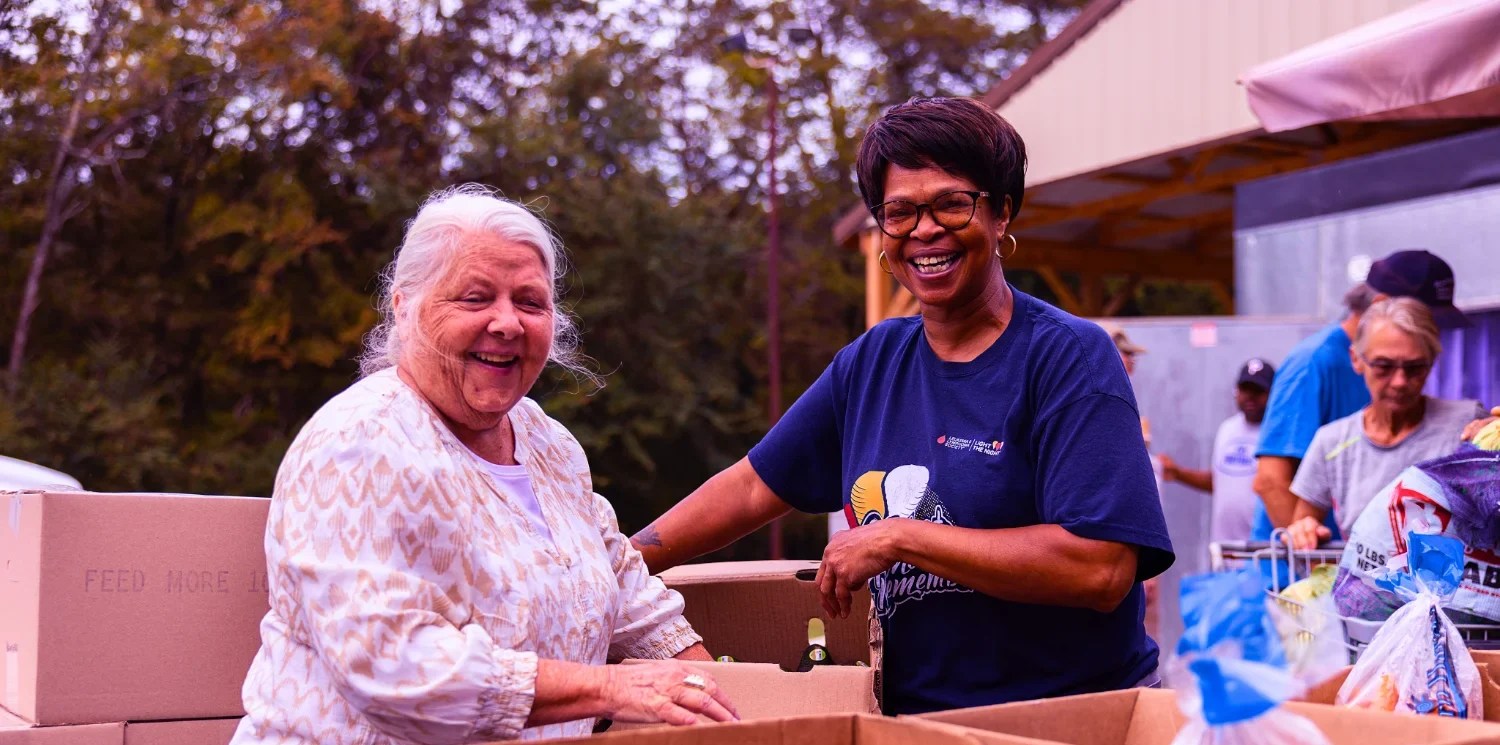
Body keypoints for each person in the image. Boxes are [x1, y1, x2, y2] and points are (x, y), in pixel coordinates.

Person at [630, 97, 1174, 715]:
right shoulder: (872, 361)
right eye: (899, 213)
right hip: (915, 721)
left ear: (1002, 212)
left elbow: (1100, 570)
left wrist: (903, 538)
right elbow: (754, 486)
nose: (924, 230)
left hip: (1065, 718)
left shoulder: (1066, 357)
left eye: (951, 203)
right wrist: (616, 563)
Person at [232, 186, 737, 744]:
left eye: (530, 302)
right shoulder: (358, 445)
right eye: (475, 299)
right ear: (405, 306)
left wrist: (727, 701)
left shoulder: (547, 442)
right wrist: (613, 688)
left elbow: (621, 586)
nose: (507, 323)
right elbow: (396, 668)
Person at [1251, 249, 1471, 540]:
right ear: (1382, 305)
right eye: (1423, 317)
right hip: (1311, 567)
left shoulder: (1456, 416)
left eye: (1415, 365)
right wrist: (1324, 570)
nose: (1399, 381)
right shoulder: (1313, 363)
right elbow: (1270, 480)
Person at [1284, 298, 1486, 550]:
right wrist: (1304, 531)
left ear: (1432, 362)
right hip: (1364, 586)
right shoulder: (1332, 442)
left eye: (1414, 368)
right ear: (1357, 360)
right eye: (1383, 366)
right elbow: (1303, 523)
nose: (1400, 381)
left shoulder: (1467, 425)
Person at [1159, 358, 1275, 545]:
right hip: (1224, 548)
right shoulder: (1227, 429)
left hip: (1263, 550)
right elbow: (1219, 481)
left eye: (1258, 391)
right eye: (1245, 390)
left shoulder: (1276, 433)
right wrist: (1178, 473)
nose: (1250, 397)